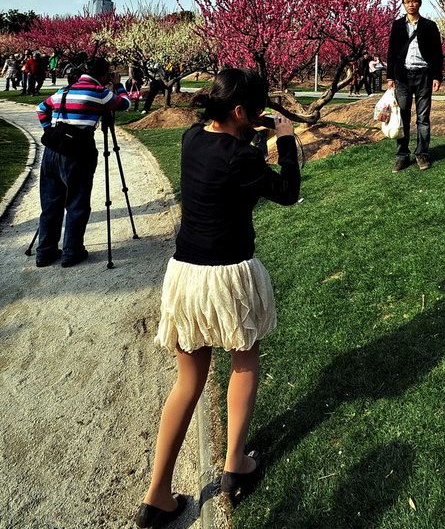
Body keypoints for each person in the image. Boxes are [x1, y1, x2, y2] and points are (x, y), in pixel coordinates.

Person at [135, 67, 300, 528]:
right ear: (241, 111)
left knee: (187, 381)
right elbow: (287, 192)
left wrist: (254, 133)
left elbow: (232, 151)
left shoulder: (191, 139)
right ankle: (234, 467)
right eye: (252, 112)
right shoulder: (242, 157)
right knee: (244, 360)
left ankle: (157, 495)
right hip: (229, 275)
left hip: (186, 274)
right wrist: (283, 140)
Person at [35, 57, 130, 268]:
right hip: (78, 152)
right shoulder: (99, 93)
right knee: (77, 203)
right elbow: (125, 104)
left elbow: (41, 109)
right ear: (104, 75)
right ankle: (72, 252)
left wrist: (50, 132)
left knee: (50, 203)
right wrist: (118, 85)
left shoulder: (65, 91)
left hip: (52, 150)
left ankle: (45, 252)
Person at [386, 0, 443, 172]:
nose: (411, 4)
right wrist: (390, 77)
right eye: (407, 1)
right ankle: (402, 156)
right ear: (403, 4)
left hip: (424, 75)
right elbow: (392, 52)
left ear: (420, 2)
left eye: (414, 1)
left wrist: (437, 76)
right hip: (403, 77)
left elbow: (437, 53)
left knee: (423, 118)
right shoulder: (397, 25)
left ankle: (422, 154)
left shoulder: (429, 26)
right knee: (402, 117)